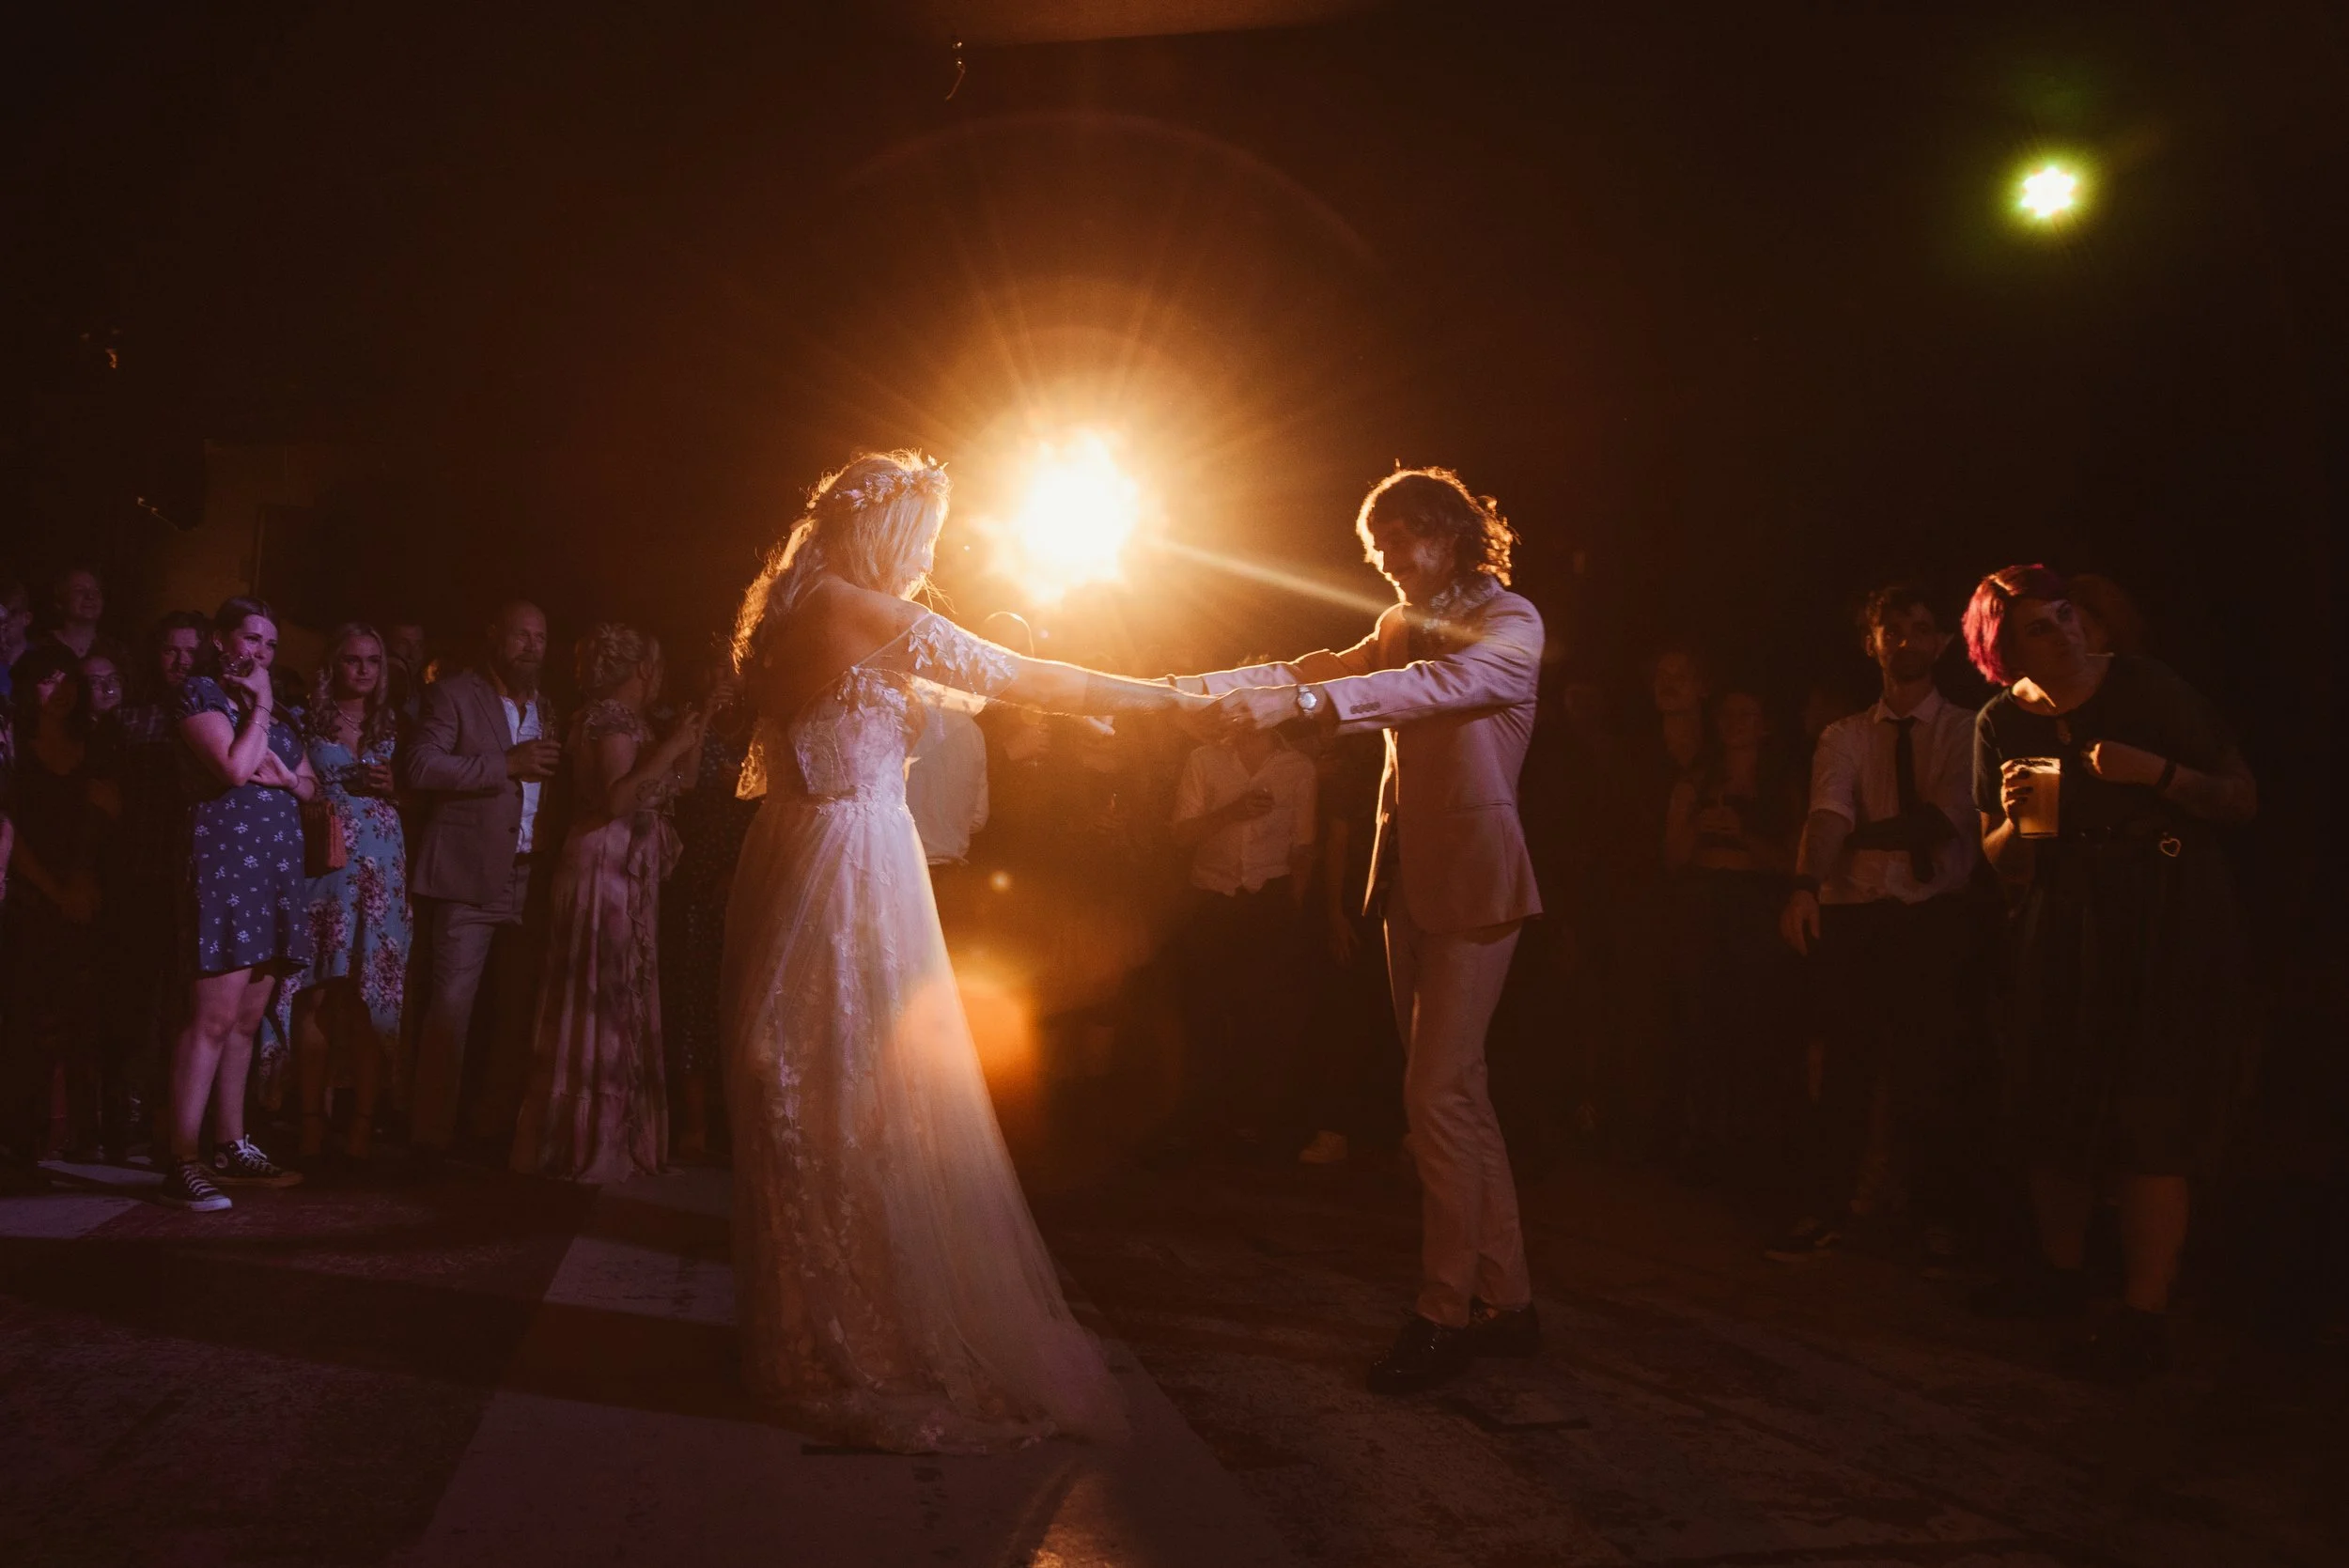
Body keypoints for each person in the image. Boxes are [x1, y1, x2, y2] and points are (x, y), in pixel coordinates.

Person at [723, 448, 1212, 1452]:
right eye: (922, 535)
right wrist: (1169, 694)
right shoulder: (862, 611)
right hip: (853, 861)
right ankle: (862, 1335)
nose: (928, 554)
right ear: (884, 529)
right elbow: (1024, 676)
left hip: (804, 847)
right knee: (858, 1090)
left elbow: (951, 697)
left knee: (822, 1088)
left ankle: (818, 1324)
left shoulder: (799, 609)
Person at [1181, 465, 1544, 1395]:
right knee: (1459, 1097)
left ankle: (1442, 1313)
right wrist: (1184, 689)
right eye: (1373, 541)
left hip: (1476, 883)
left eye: (1394, 537)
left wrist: (1301, 705)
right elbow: (1324, 669)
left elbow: (1429, 685)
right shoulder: (1396, 622)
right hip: (1409, 888)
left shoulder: (1510, 623)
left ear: (1446, 533)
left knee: (1435, 1102)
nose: (1380, 556)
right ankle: (1509, 1301)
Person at [1964, 564, 2257, 1382]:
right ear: (2001, 646)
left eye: (2066, 614)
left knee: (2151, 1108)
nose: (2061, 631)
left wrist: (2153, 773)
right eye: (2037, 626)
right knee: (2055, 1094)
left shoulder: (2147, 689)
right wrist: (2022, 827)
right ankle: (2061, 1280)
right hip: (2065, 915)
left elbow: (2240, 797)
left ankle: (2144, 1314)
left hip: (2167, 911)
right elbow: (1999, 860)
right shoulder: (1998, 721)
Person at [1770, 585, 1979, 1263]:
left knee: (1933, 1070)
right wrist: (1806, 883)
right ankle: (1827, 1209)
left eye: (1923, 628)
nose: (1908, 640)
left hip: (1932, 914)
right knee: (1845, 1072)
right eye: (1895, 628)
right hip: (1858, 914)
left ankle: (1935, 1217)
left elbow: (1946, 816)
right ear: (1874, 642)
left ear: (1944, 642)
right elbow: (1828, 812)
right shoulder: (1846, 734)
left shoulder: (1965, 729)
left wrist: (1858, 836)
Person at [510, 622, 702, 1184]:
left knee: (624, 992)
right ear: (643, 669)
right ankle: (589, 1140)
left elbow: (678, 785)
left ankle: (621, 1135)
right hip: (602, 864)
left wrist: (696, 730)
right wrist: (668, 747)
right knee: (601, 994)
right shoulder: (609, 719)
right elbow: (619, 799)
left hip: (626, 868)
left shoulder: (629, 721)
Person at [163, 597, 315, 1211]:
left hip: (274, 874)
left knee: (248, 1021)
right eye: (252, 638)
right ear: (223, 640)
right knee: (212, 1019)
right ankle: (180, 1156)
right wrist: (264, 713)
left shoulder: (271, 717)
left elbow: (309, 783)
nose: (262, 653)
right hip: (227, 871)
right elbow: (231, 767)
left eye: (272, 644)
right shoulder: (200, 695)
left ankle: (230, 1142)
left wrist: (284, 778)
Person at [402, 600, 562, 1158]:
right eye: (521, 635)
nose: (532, 646)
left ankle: (494, 1130)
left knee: (517, 1014)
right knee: (450, 1011)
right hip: (468, 878)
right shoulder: (454, 695)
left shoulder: (547, 705)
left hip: (528, 875)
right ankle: (429, 1139)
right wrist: (505, 764)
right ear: (494, 635)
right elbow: (419, 766)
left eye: (540, 637)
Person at [1662, 686, 1802, 1177]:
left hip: (1756, 907)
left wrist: (1743, 834)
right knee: (1702, 1020)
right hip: (1703, 905)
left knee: (1754, 1022)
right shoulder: (1698, 780)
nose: (1735, 722)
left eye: (1748, 713)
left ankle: (1753, 1144)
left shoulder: (1781, 785)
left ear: (1765, 725)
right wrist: (1696, 825)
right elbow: (1672, 859)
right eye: (1728, 713)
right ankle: (1702, 1141)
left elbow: (1794, 861)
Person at [1167, 710, 1316, 1155]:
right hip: (1210, 899)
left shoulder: (1299, 768)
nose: (1252, 715)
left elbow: (1304, 845)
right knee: (1203, 1017)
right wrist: (1231, 812)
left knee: (1262, 1019)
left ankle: (1250, 1124)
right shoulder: (1204, 759)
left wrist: (1292, 908)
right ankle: (1202, 1123)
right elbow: (1181, 835)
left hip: (1266, 903)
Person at [291, 623, 412, 1162]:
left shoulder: (396, 724)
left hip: (382, 867)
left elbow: (424, 798)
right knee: (315, 993)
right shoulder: (306, 720)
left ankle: (362, 1125)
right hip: (325, 863)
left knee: (371, 998)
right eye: (352, 660)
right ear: (333, 664)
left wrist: (396, 789)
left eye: (373, 661)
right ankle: (311, 1123)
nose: (363, 669)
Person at [2, 646, 119, 1172]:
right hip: (31, 896)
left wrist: (83, 880)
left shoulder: (94, 745)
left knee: (82, 1018)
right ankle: (23, 1139)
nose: (61, 689)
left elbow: (107, 817)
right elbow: (13, 831)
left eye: (67, 678)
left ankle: (80, 1133)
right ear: (29, 688)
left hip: (86, 892)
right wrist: (56, 890)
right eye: (48, 679)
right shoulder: (15, 751)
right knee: (28, 1020)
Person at [101, 612, 207, 1157]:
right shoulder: (133, 720)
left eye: (190, 651)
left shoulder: (218, 721)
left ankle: (177, 1120)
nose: (180, 661)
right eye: (170, 650)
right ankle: (127, 1115)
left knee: (189, 1008)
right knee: (135, 1003)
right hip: (140, 877)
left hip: (197, 881)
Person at [660, 652, 755, 1163]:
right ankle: (694, 1124)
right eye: (712, 667)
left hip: (746, 868)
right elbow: (688, 781)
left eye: (729, 668)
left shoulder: (760, 726)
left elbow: (769, 796)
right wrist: (698, 721)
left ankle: (739, 1124)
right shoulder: (690, 720)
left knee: (744, 996)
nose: (722, 677)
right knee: (694, 994)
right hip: (696, 869)